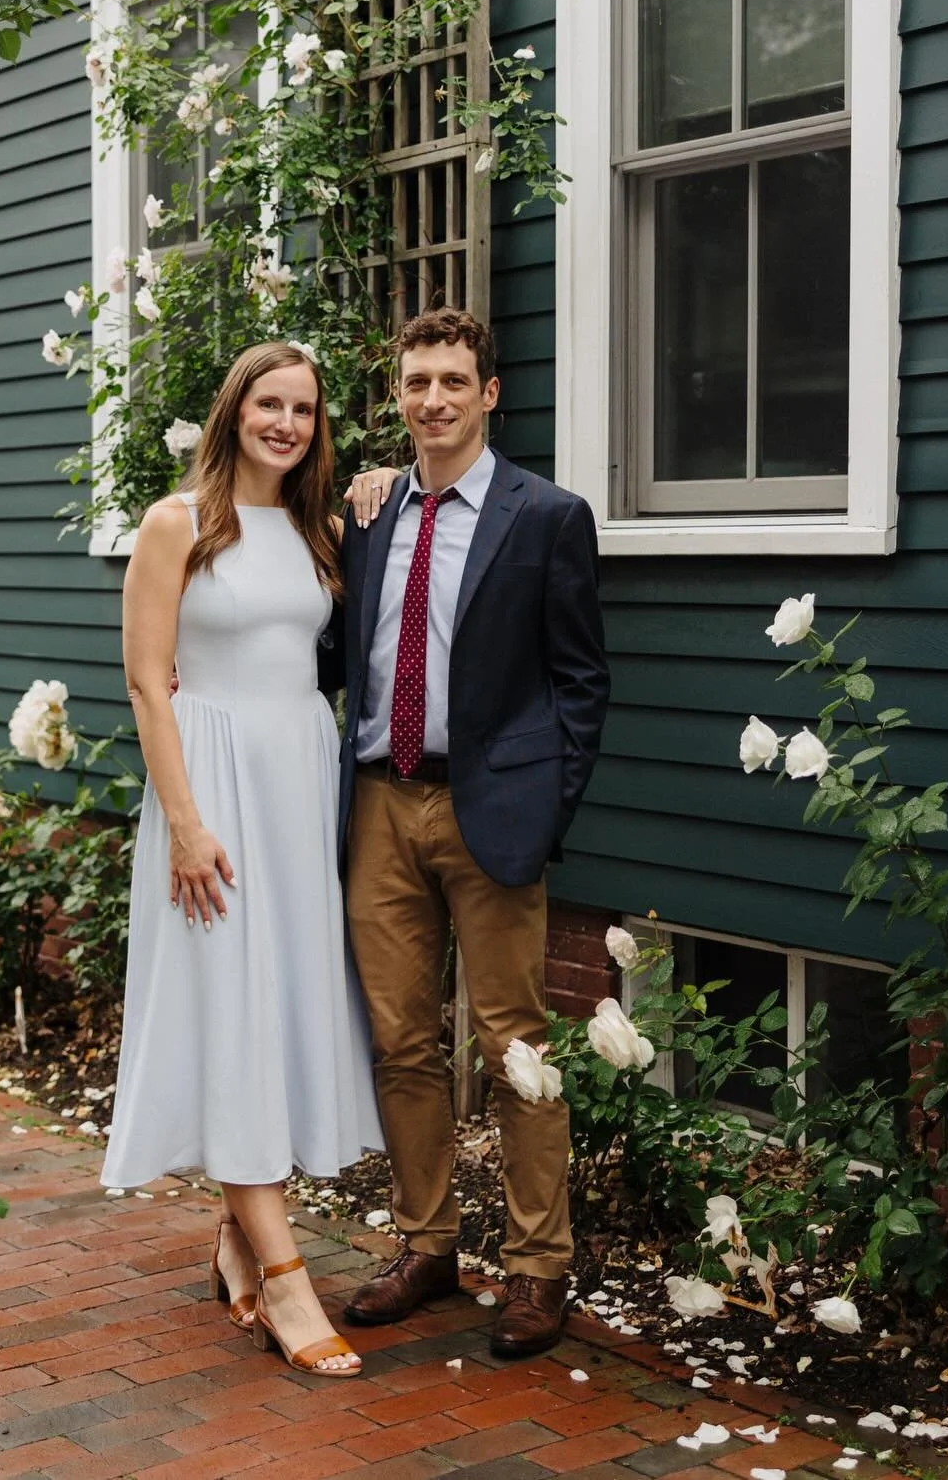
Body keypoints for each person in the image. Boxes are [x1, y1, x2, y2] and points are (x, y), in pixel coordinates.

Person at [102, 340, 386, 1379]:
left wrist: (385, 482)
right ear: (234, 412)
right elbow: (147, 680)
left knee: (275, 1006)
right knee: (232, 1001)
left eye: (304, 408)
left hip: (298, 788)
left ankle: (236, 1234)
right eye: (269, 403)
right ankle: (285, 1277)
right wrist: (183, 820)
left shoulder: (317, 528)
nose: (287, 422)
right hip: (212, 790)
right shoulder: (177, 523)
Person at [336, 307, 610, 1358]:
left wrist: (550, 804)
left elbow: (582, 678)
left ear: (489, 393)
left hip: (492, 807)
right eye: (416, 382)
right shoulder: (365, 514)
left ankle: (540, 1265)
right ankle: (428, 1243)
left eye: (454, 379)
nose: (434, 399)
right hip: (377, 801)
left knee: (517, 1046)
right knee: (402, 1040)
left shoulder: (547, 516)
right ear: (398, 396)